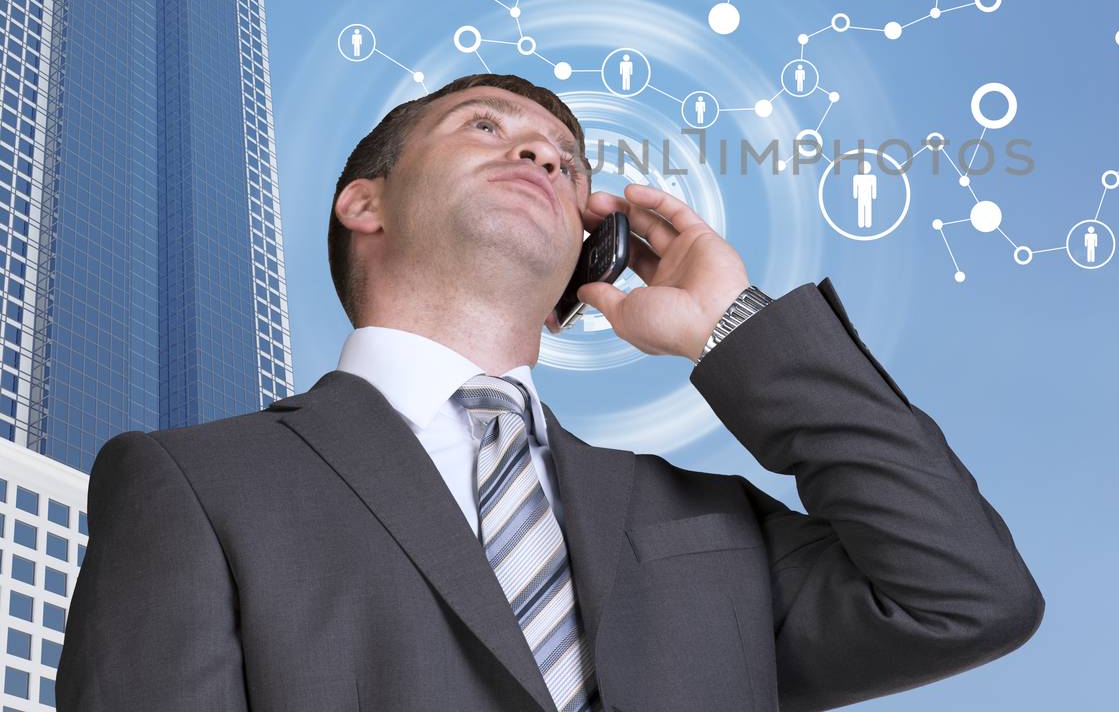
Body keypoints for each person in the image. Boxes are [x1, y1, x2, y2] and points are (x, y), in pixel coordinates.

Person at [57, 72, 1044, 711]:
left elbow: (965, 597)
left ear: (592, 249)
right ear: (365, 202)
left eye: (568, 163)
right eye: (484, 127)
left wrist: (730, 326)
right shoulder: (195, 483)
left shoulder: (702, 523)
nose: (538, 154)